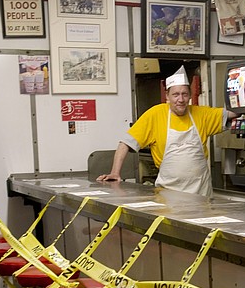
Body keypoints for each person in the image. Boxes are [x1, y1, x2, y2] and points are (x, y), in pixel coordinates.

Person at [97, 65, 234, 197]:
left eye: (184, 94)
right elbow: (125, 143)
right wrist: (115, 173)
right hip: (168, 195)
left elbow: (233, 113)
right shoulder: (155, 114)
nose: (180, 99)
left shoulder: (202, 114)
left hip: (201, 194)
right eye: (175, 95)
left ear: (190, 96)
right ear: (167, 96)